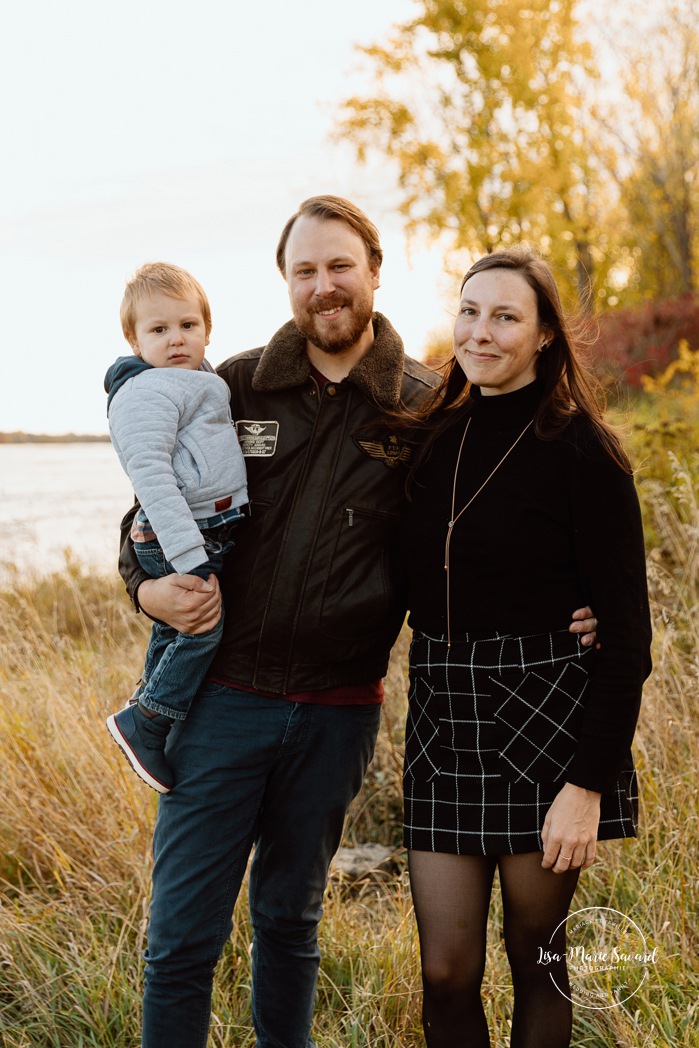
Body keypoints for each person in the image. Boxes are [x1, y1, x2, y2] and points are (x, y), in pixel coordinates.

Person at [117, 199, 598, 1048]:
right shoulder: (228, 384)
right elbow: (148, 517)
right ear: (287, 284)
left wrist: (570, 605)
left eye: (339, 265)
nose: (323, 286)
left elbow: (479, 526)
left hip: (339, 713)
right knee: (181, 940)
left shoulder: (426, 403)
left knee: (290, 926)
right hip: (223, 700)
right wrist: (146, 590)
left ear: (375, 270)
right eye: (304, 270)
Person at [399, 246, 652, 1048]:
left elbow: (628, 642)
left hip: (546, 719)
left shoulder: (584, 451)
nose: (479, 331)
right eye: (469, 311)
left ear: (544, 335)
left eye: (504, 316)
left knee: (534, 958)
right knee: (444, 971)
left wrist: (586, 785)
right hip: (443, 709)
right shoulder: (430, 437)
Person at [105, 262, 248, 793]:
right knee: (202, 624)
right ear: (134, 339)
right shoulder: (146, 392)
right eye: (159, 330)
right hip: (180, 534)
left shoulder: (201, 381)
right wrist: (189, 555)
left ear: (207, 329)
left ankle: (149, 713)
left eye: (187, 325)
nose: (176, 339)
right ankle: (147, 720)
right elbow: (152, 478)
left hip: (204, 526)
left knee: (177, 629)